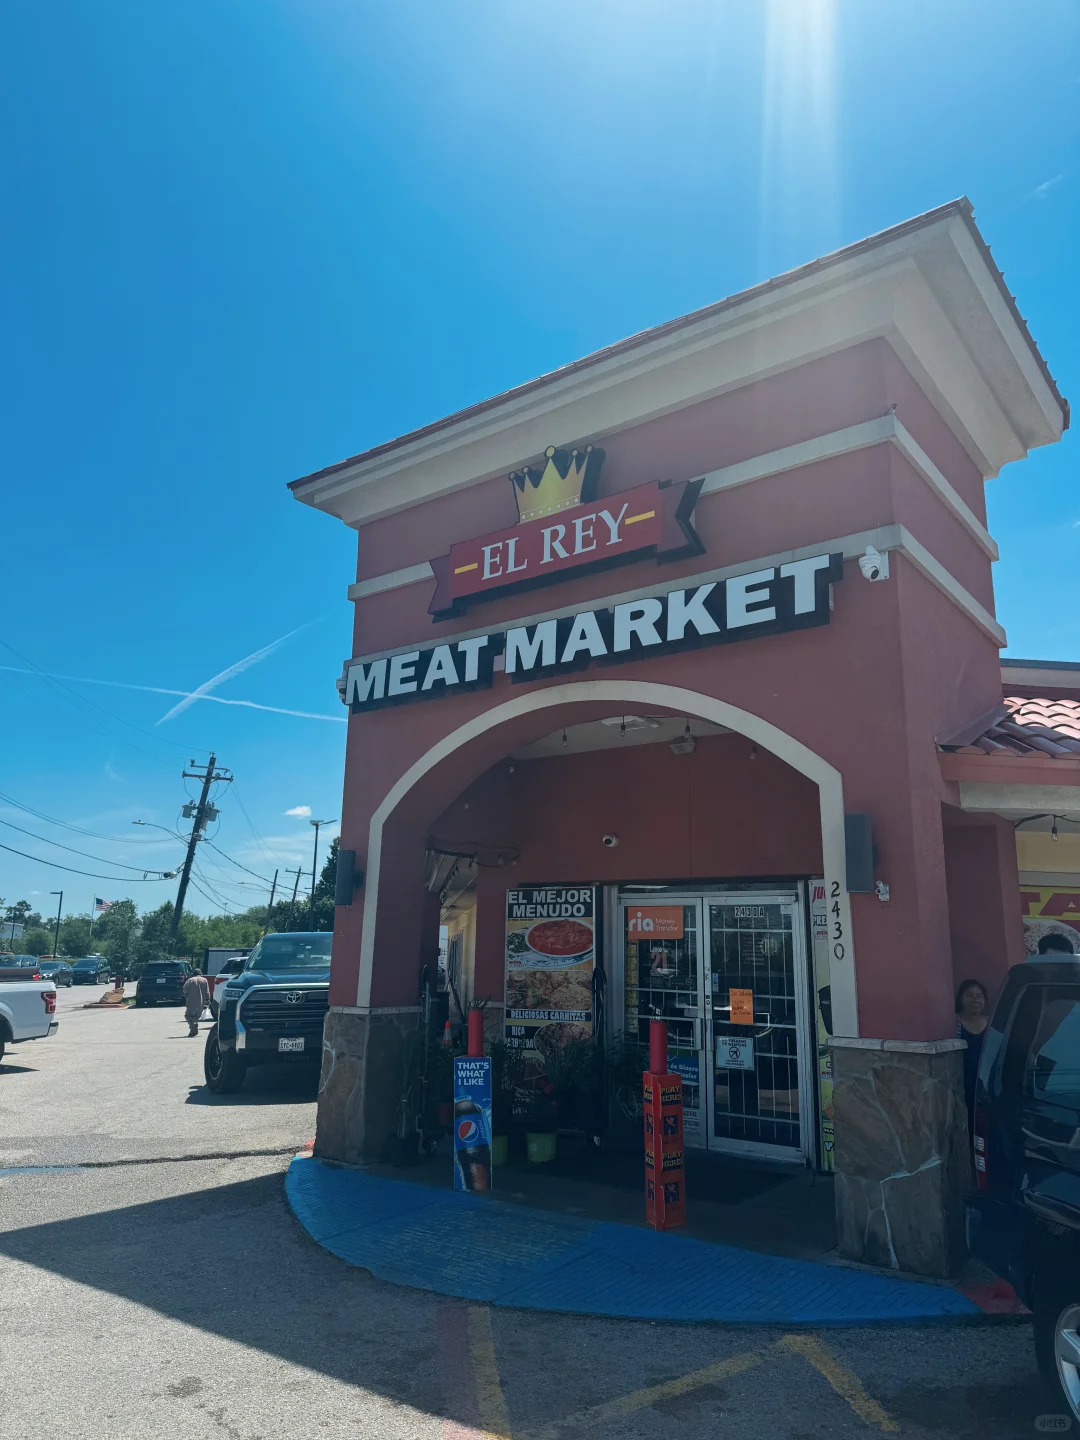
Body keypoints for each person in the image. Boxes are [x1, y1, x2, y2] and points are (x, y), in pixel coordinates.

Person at [955, 979, 990, 1126]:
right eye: (970, 995)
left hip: (987, 1086)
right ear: (961, 999)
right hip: (963, 1086)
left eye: (979, 996)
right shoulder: (954, 1023)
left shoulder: (992, 1024)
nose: (975, 999)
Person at [183, 970, 210, 1037]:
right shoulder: (204, 980)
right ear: (200, 974)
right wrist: (208, 1000)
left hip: (191, 1001)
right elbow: (207, 992)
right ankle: (195, 1025)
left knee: (188, 1016)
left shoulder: (190, 980)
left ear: (193, 974)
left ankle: (193, 1026)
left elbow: (185, 990)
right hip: (201, 1002)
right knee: (196, 1016)